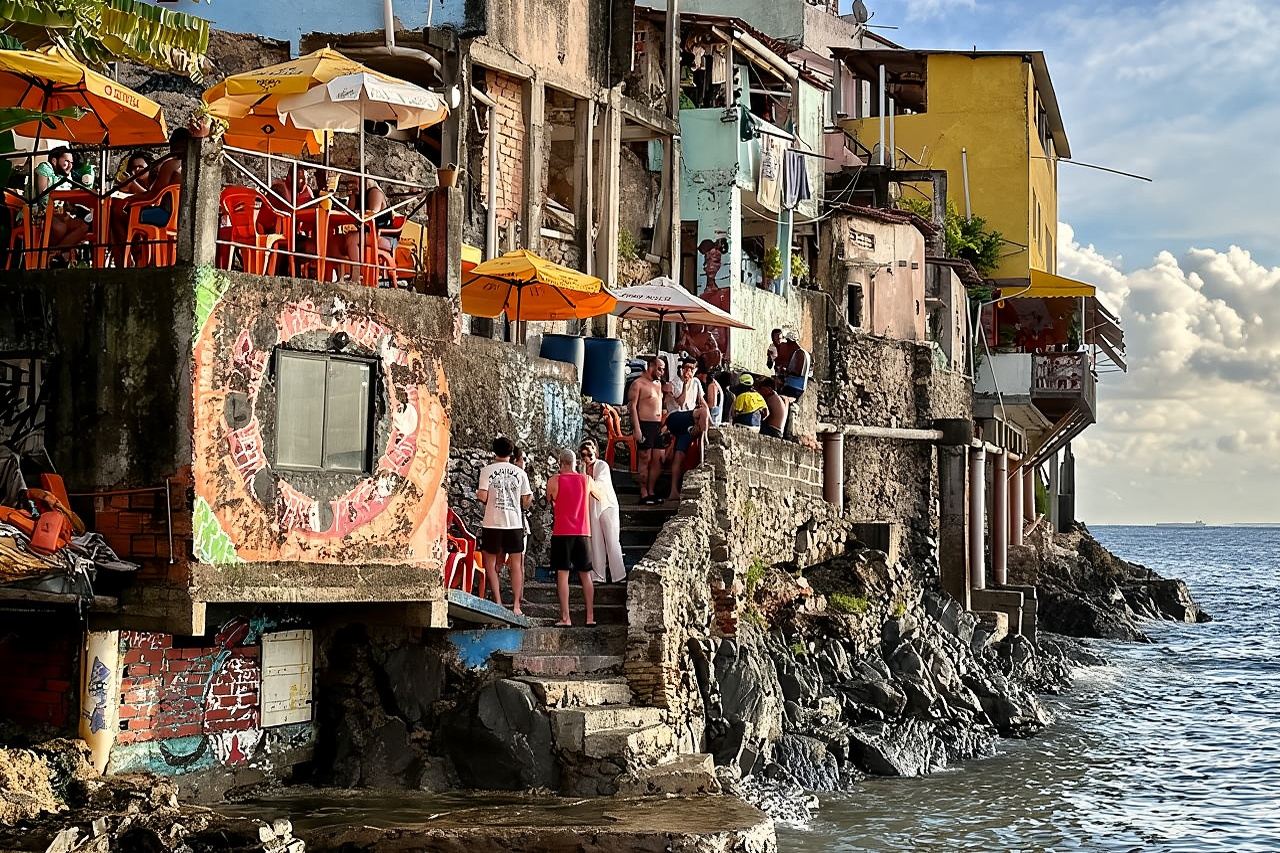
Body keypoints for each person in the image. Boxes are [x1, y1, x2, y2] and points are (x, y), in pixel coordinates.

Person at [476, 435, 533, 614]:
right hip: (514, 523)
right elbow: (526, 500)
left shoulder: (487, 471)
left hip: (492, 523)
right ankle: (516, 605)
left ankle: (499, 603)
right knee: (516, 565)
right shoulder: (521, 473)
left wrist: (481, 495)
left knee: (490, 563)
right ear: (511, 453)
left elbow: (483, 496)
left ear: (494, 451)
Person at [546, 448, 603, 626]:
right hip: (582, 532)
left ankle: (566, 618)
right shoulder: (586, 480)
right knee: (586, 575)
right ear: (575, 462)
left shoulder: (554, 481)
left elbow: (550, 500)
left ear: (560, 463)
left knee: (562, 575)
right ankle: (590, 617)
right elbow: (599, 496)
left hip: (562, 532)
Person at [32, 147, 91, 261]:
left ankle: (53, 255)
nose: (70, 166)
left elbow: (65, 201)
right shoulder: (45, 168)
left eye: (71, 163)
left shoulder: (65, 176)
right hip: (38, 213)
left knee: (83, 226)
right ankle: (50, 256)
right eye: (66, 161)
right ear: (54, 161)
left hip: (58, 214)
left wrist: (72, 204)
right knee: (60, 227)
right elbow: (44, 197)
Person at [663, 358, 709, 502]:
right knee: (701, 414)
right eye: (686, 368)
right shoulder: (675, 383)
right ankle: (704, 440)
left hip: (689, 420)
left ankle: (673, 491)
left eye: (691, 368)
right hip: (675, 417)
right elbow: (681, 402)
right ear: (681, 368)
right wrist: (684, 384)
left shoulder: (696, 382)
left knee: (680, 453)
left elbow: (702, 402)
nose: (688, 371)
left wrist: (711, 423)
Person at [579, 440, 624, 584]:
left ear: (596, 452)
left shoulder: (602, 465)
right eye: (584, 455)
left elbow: (599, 484)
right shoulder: (583, 469)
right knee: (596, 541)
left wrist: (583, 478)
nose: (587, 457)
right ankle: (599, 575)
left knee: (612, 540)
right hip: (592, 507)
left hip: (607, 505)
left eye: (590, 454)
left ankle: (619, 575)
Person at [626, 355, 667, 505]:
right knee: (645, 459)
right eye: (660, 368)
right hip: (644, 424)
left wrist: (664, 423)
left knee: (659, 458)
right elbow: (632, 407)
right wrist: (637, 429)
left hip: (657, 426)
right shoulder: (638, 384)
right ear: (651, 367)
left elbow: (661, 405)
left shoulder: (658, 385)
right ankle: (643, 493)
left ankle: (651, 490)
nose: (662, 372)